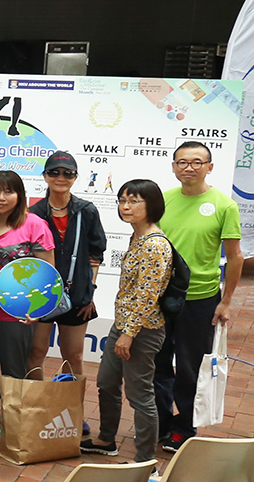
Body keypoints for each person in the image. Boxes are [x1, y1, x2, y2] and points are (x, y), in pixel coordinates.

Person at [154, 141, 241, 451]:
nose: (188, 167)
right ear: (174, 166)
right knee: (157, 363)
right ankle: (159, 422)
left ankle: (183, 426)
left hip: (200, 299)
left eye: (196, 162)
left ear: (209, 167)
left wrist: (226, 302)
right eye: (182, 162)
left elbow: (235, 257)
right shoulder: (163, 200)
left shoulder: (224, 206)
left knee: (190, 368)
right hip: (161, 298)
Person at [86, 180, 171, 462]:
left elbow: (148, 296)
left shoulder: (155, 244)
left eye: (134, 201)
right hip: (123, 325)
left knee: (140, 395)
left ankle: (146, 461)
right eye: (122, 200)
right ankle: (106, 439)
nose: (126, 206)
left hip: (142, 331)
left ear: (152, 205)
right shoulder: (137, 237)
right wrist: (123, 329)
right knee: (106, 382)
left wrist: (129, 334)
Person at [0, 170, 52, 434]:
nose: (1, 197)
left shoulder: (34, 224)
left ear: (20, 195)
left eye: (8, 191)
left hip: (18, 312)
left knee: (15, 366)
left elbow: (47, 273)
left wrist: (39, 310)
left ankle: (14, 417)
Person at [29, 151, 107, 388]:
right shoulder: (34, 213)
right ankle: (36, 403)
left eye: (67, 173)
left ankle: (71, 406)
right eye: (54, 172)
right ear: (45, 176)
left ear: (75, 177)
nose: (60, 178)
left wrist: (90, 291)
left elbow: (96, 255)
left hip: (77, 296)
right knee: (35, 352)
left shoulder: (87, 211)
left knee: (73, 355)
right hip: (41, 295)